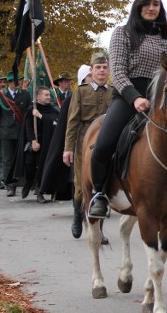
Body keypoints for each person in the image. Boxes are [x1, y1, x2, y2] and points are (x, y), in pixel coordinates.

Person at [88, 0, 167, 218]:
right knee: (104, 144)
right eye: (146, 4)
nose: (151, 8)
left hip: (159, 98)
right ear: (138, 6)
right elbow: (117, 71)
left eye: (156, 4)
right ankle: (99, 194)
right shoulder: (122, 33)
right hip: (128, 96)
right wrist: (135, 98)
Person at [63, 53, 112, 237]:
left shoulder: (113, 92)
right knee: (80, 186)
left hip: (105, 145)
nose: (101, 70)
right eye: (98, 67)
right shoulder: (81, 91)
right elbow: (73, 122)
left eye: (104, 67)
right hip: (83, 144)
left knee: (103, 186)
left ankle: (98, 230)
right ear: (91, 70)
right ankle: (77, 216)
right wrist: (68, 149)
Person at [13, 86, 60, 203]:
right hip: (35, 142)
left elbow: (55, 124)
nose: (49, 97)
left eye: (49, 95)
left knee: (42, 168)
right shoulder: (31, 109)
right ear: (38, 97)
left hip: (48, 143)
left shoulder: (53, 110)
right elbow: (28, 127)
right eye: (46, 95)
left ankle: (40, 192)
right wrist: (33, 141)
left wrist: (41, 117)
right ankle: (29, 181)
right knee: (29, 166)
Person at [0, 71, 31, 196]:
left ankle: (21, 181)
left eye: (19, 80)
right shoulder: (1, 95)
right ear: (10, 82)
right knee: (7, 159)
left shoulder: (25, 94)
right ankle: (10, 186)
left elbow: (29, 112)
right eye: (16, 80)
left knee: (20, 158)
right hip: (6, 132)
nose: (19, 82)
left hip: (21, 132)